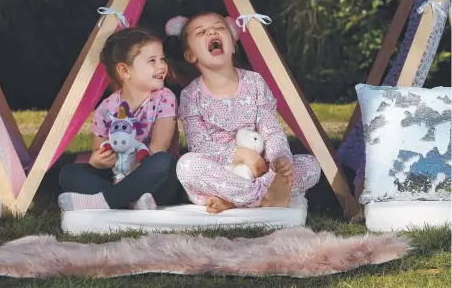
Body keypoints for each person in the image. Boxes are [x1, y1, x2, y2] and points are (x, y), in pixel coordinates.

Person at [164, 12, 321, 214]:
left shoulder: (255, 82)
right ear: (190, 55)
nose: (212, 31)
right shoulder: (190, 95)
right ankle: (263, 199)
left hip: (260, 170)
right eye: (201, 32)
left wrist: (280, 161)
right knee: (186, 166)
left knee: (310, 165)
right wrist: (242, 154)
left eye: (219, 28)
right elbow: (199, 146)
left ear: (233, 44)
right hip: (220, 174)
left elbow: (271, 131)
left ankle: (233, 200)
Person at [58, 27, 183, 211]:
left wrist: (130, 180)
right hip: (118, 177)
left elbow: (157, 149)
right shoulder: (106, 109)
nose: (162, 66)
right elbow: (99, 150)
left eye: (162, 59)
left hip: (155, 181)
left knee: (163, 163)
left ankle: (106, 202)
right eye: (152, 61)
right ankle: (131, 202)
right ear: (125, 71)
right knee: (68, 173)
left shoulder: (165, 98)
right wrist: (97, 161)